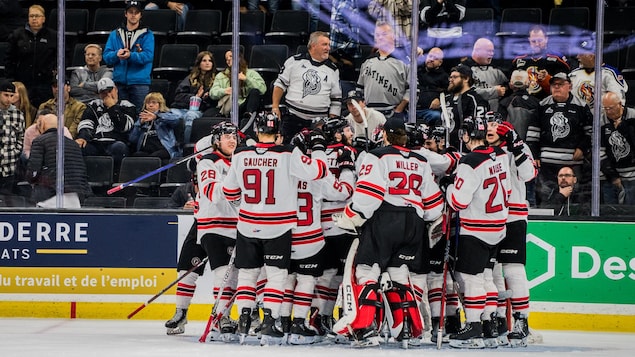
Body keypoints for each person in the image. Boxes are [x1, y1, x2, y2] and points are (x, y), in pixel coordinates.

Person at [331, 117, 444, 347]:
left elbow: (369, 195)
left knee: (366, 271)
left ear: (384, 135)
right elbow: (433, 206)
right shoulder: (421, 160)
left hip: (385, 219)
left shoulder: (378, 155)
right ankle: (407, 330)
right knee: (400, 273)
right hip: (414, 222)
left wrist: (352, 215)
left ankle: (364, 329)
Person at [221, 112, 330, 346]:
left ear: (257, 130)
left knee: (248, 275)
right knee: (276, 276)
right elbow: (318, 171)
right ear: (278, 133)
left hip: (248, 225)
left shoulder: (240, 153)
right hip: (278, 226)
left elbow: (229, 191)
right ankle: (269, 321)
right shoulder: (288, 153)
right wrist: (319, 148)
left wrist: (248, 205)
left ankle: (244, 320)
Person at [164, 122, 239, 338]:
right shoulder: (208, 160)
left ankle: (223, 315)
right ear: (216, 140)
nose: (231, 140)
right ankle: (181, 312)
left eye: (234, 136)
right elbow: (211, 191)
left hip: (228, 225)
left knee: (224, 273)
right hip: (204, 222)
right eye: (226, 136)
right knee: (186, 269)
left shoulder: (241, 162)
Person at [441, 116, 510, 349]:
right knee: (487, 277)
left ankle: (473, 327)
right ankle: (490, 325)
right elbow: (507, 189)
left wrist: (449, 186)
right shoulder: (501, 154)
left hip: (476, 229)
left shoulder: (469, 162)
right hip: (499, 228)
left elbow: (458, 202)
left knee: (471, 280)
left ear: (467, 135)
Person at [485, 115, 537, 348]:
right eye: (487, 125)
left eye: (495, 125)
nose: (490, 129)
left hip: (513, 216)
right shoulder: (483, 150)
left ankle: (521, 320)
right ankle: (497, 318)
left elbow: (529, 174)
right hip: (487, 218)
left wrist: (515, 144)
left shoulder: (519, 147)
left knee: (513, 268)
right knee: (491, 269)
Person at [526, 72, 592, 207]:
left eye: (560, 84)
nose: (556, 87)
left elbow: (590, 132)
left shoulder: (581, 106)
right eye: (554, 84)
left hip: (572, 164)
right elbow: (533, 132)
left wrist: (582, 148)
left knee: (575, 199)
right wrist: (534, 153)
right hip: (547, 164)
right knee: (546, 197)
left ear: (570, 86)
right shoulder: (542, 105)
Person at [272, 31, 342, 143]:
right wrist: (275, 106)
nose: (328, 48)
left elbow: (336, 100)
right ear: (313, 46)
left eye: (329, 45)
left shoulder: (333, 69)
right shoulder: (294, 61)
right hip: (292, 119)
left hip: (319, 122)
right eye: (324, 44)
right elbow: (280, 85)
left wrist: (332, 123)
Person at [26, 113, 92, 208]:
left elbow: (33, 171)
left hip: (48, 198)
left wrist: (31, 180)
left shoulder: (39, 141)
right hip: (74, 198)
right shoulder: (73, 144)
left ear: (43, 125)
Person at [103, 0, 154, 112]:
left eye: (136, 12)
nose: (133, 15)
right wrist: (116, 54)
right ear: (125, 14)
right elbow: (106, 56)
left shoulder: (147, 34)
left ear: (141, 15)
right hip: (119, 83)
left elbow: (148, 56)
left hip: (139, 83)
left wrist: (131, 56)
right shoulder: (115, 34)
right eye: (130, 12)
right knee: (121, 117)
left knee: (139, 117)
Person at [76, 78, 136, 171]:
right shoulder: (93, 105)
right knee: (79, 147)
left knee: (119, 148)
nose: (107, 95)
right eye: (103, 92)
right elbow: (85, 123)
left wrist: (112, 107)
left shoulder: (127, 106)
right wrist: (83, 137)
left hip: (115, 141)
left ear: (115, 89)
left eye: (109, 91)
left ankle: (115, 179)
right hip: (96, 142)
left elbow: (124, 127)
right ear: (99, 94)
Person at [5, 4, 57, 108]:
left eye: (37, 16)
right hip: (23, 83)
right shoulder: (17, 35)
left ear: (43, 19)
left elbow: (59, 58)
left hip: (45, 84)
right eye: (31, 16)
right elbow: (9, 59)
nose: (34, 19)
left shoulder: (53, 36)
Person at [357, 22, 410, 120]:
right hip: (370, 114)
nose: (380, 37)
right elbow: (359, 88)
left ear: (393, 36)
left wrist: (399, 109)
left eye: (384, 34)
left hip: (393, 115)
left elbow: (413, 89)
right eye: (377, 35)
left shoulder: (404, 61)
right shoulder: (367, 62)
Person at [511, 25, 570, 100]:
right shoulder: (518, 59)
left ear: (546, 39)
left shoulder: (557, 59)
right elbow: (509, 84)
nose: (537, 44)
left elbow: (565, 85)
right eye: (533, 41)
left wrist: (548, 79)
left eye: (540, 41)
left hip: (549, 102)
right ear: (529, 40)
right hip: (524, 103)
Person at [171, 50, 217, 145]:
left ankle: (186, 146)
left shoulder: (217, 79)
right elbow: (178, 96)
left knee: (190, 116)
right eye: (204, 60)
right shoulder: (190, 78)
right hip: (183, 108)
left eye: (210, 60)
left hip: (201, 111)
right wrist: (195, 97)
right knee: (164, 114)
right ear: (199, 63)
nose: (207, 63)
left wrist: (206, 98)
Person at [569, 40, 628, 113]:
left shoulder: (609, 74)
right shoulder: (573, 74)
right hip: (577, 119)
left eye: (581, 54)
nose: (577, 57)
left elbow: (618, 103)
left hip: (601, 120)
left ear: (591, 55)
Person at [209, 50, 266, 121]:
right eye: (226, 59)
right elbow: (212, 93)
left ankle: (248, 117)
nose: (228, 59)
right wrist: (224, 91)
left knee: (254, 92)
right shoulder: (221, 76)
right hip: (229, 107)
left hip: (244, 106)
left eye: (231, 56)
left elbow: (262, 89)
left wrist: (246, 79)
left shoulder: (251, 73)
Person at [601, 91, 635, 205]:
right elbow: (599, 152)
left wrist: (624, 128)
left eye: (611, 108)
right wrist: (612, 176)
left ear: (620, 104)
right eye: (605, 108)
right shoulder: (601, 121)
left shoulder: (633, 116)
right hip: (613, 176)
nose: (608, 112)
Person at [444, 65, 489, 149]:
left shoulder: (475, 99)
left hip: (464, 149)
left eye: (454, 77)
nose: (451, 80)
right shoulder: (445, 99)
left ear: (466, 79)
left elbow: (478, 126)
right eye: (450, 77)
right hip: (445, 148)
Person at [129, 92, 182, 161]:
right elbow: (132, 139)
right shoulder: (142, 119)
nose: (150, 105)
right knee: (137, 156)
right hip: (146, 151)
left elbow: (176, 120)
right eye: (148, 103)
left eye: (154, 103)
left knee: (154, 158)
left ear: (160, 104)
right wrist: (139, 124)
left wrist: (156, 117)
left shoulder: (165, 115)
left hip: (164, 148)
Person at [461, 38, 508, 112]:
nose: (492, 54)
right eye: (489, 51)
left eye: (492, 51)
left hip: (494, 115)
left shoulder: (496, 69)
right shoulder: (463, 69)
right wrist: (494, 92)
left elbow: (509, 86)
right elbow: (466, 93)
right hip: (471, 114)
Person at [0, 79, 25, 195]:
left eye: (11, 95)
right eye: (5, 95)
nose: (9, 99)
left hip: (9, 165)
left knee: (6, 200)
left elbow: (21, 137)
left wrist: (16, 152)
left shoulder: (18, 115)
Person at [417, 47, 448, 126]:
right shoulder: (417, 69)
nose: (431, 59)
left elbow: (448, 93)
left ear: (440, 63)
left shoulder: (444, 77)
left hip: (430, 112)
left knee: (436, 116)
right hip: (412, 110)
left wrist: (439, 101)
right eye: (430, 56)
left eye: (435, 58)